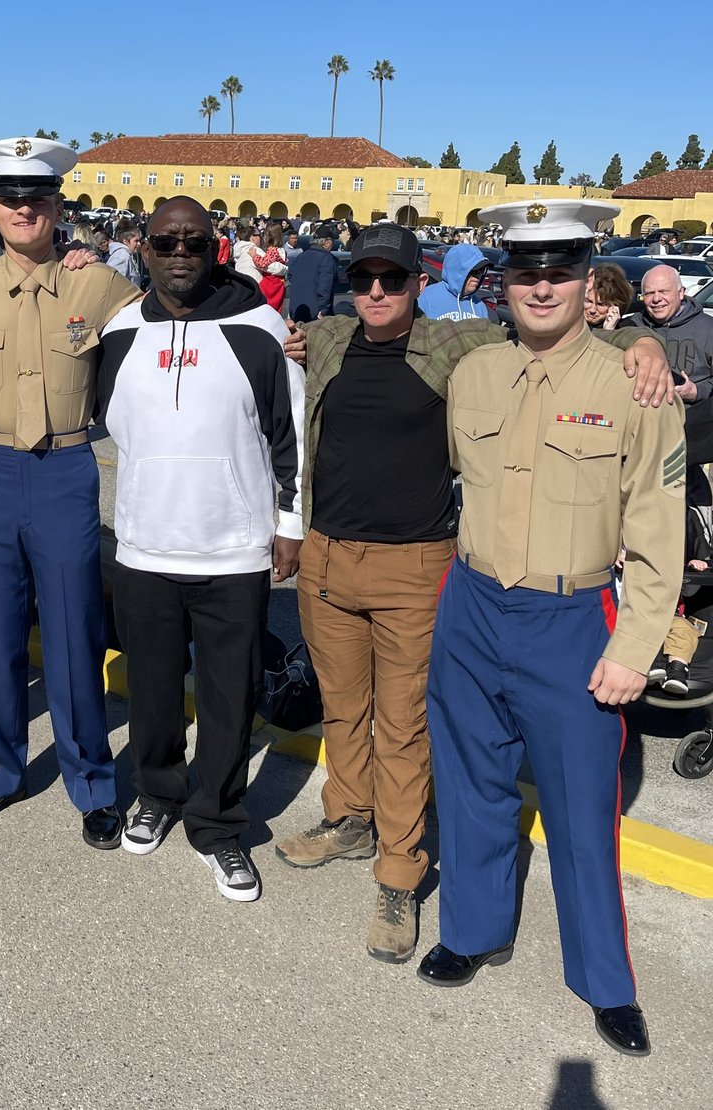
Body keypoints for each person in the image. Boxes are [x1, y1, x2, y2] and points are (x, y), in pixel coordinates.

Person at [273, 222, 671, 965]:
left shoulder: (457, 346)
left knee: (404, 727)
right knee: (344, 709)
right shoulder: (329, 340)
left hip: (419, 565)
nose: (377, 292)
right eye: (363, 279)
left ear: (420, 284)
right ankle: (349, 819)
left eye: (394, 278)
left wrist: (644, 341)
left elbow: (557, 337)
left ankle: (400, 873)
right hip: (332, 559)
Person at [420, 199, 685, 1059]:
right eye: (525, 269)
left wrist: (635, 649)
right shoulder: (475, 374)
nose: (541, 286)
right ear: (502, 279)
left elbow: (659, 530)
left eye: (560, 269)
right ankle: (471, 931)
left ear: (587, 279)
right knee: (471, 786)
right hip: (472, 605)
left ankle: (605, 982)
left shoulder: (633, 384)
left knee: (581, 809)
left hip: (571, 619)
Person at [99, 197, 304, 901]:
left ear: (215, 247)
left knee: (228, 699)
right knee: (152, 691)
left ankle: (217, 823)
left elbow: (291, 433)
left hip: (233, 553)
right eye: (166, 242)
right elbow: (88, 410)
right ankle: (157, 794)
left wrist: (289, 524)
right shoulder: (120, 330)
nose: (179, 253)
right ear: (145, 247)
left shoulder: (262, 329)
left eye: (193, 241)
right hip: (145, 547)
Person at [0, 137, 142, 847]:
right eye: (9, 198)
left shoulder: (100, 284)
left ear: (58, 206)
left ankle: (91, 780)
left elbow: (175, 317)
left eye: (36, 197)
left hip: (63, 467)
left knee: (73, 629)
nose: (23, 208)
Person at [625, 264, 713, 402]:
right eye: (649, 293)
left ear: (681, 293)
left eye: (664, 291)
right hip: (639, 409)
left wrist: (696, 391)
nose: (656, 299)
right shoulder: (630, 326)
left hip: (689, 412)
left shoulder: (708, 329)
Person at [417, 243, 496, 322]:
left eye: (482, 270)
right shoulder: (425, 299)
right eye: (474, 270)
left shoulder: (479, 305)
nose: (478, 275)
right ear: (458, 271)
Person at [287, 231, 336, 322]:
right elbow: (325, 287)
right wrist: (324, 310)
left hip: (296, 311)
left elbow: (291, 278)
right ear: (327, 242)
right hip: (315, 315)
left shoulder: (301, 256)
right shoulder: (326, 258)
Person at [585, 264, 633, 330]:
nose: (592, 310)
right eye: (588, 301)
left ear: (616, 305)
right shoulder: (572, 326)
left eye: (600, 304)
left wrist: (608, 331)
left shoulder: (627, 329)